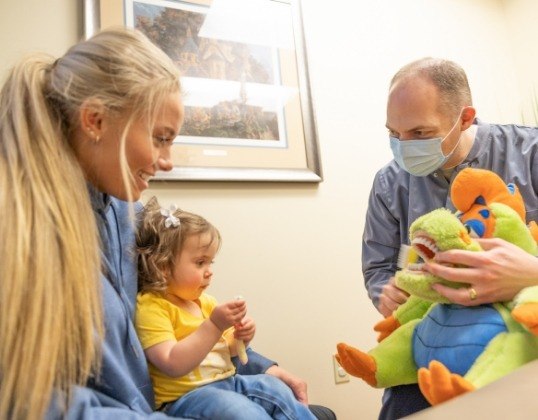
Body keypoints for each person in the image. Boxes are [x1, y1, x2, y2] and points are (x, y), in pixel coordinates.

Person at [0, 27, 334, 420]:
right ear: (94, 120)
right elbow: (30, 403)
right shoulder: (21, 232)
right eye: (160, 138)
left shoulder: (127, 215)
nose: (168, 160)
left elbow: (184, 310)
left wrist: (262, 366)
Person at [362, 57, 538, 419]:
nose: (403, 146)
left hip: (522, 338)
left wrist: (531, 273)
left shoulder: (530, 154)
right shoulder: (388, 184)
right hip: (436, 339)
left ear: (465, 117)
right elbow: (378, 269)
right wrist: (387, 292)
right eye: (394, 134)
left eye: (420, 134)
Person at [135, 197, 317, 419]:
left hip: (228, 382)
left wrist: (242, 337)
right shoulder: (152, 306)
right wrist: (214, 325)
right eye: (200, 262)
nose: (209, 270)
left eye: (211, 262)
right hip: (186, 398)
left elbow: (229, 351)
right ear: (163, 266)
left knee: (274, 388)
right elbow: (171, 363)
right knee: (241, 411)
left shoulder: (206, 303)